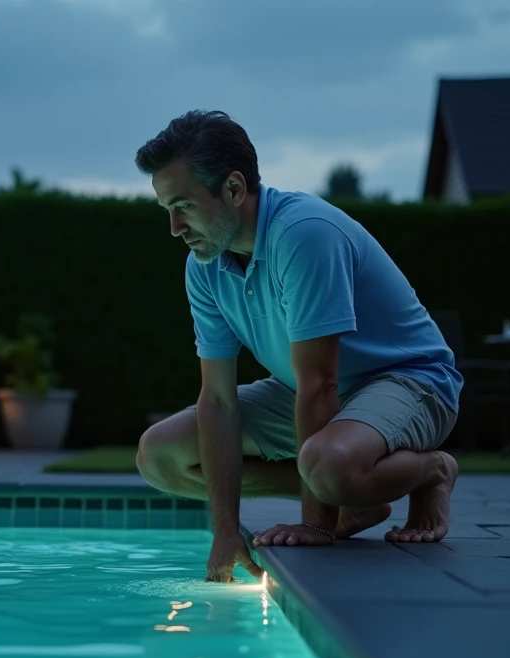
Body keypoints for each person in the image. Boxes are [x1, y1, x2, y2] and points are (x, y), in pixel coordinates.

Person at [132, 110, 464, 583]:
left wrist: (316, 525)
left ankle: (432, 471)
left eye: (183, 205)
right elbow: (219, 400)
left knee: (327, 465)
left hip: (409, 381)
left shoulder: (303, 234)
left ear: (233, 189)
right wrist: (225, 532)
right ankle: (353, 498)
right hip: (313, 393)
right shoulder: (205, 266)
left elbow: (319, 382)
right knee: (160, 456)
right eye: (167, 209)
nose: (175, 227)